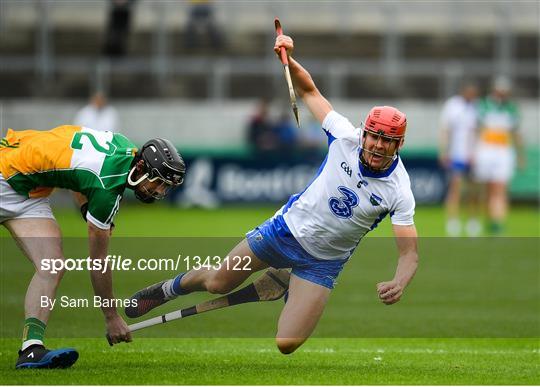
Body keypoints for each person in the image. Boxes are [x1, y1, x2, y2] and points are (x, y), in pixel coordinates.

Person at [125, 33, 419, 354]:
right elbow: (309, 90)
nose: (378, 145)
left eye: (388, 140)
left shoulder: (399, 190)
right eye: (374, 136)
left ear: (399, 144)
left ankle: (288, 284)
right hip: (282, 232)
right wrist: (287, 58)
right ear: (364, 133)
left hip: (324, 262)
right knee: (217, 283)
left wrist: (399, 282)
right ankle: (168, 289)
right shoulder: (344, 136)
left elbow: (409, 253)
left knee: (286, 344)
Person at [0, 126, 185, 368]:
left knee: (52, 265)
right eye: (158, 182)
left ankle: (31, 349)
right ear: (140, 168)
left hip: (29, 192)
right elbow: (98, 263)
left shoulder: (124, 148)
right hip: (7, 173)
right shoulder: (106, 188)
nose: (159, 191)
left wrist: (86, 208)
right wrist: (112, 317)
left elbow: (77, 173)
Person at [473, 77, 525, 235]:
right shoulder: (484, 106)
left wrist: (520, 154)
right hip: (486, 150)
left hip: (503, 152)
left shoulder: (511, 109)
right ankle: (487, 219)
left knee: (500, 188)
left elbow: (515, 133)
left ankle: (497, 223)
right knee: (486, 189)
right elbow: (478, 129)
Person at [438, 81, 481, 236]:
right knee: (455, 187)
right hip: (457, 154)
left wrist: (476, 152)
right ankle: (453, 221)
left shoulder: (478, 107)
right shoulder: (453, 106)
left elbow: (479, 132)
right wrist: (444, 151)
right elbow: (445, 130)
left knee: (473, 190)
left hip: (473, 156)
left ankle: (472, 221)